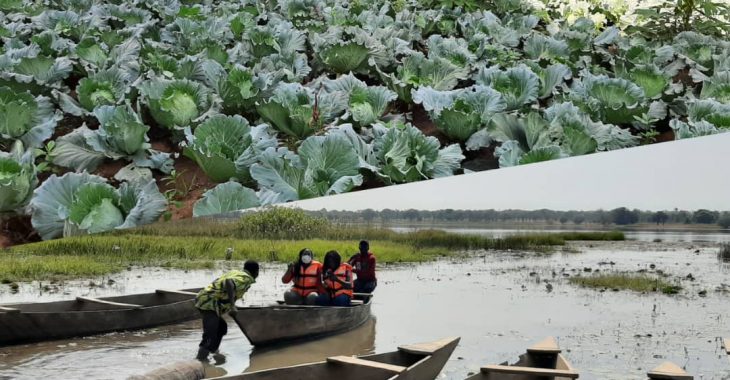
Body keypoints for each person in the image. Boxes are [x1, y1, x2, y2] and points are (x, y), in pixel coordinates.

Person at [194, 260, 259, 362]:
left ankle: (214, 351)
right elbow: (228, 282)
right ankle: (201, 361)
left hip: (205, 299)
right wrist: (232, 306)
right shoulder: (246, 278)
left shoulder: (236, 272)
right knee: (210, 335)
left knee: (221, 327)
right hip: (210, 302)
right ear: (256, 272)